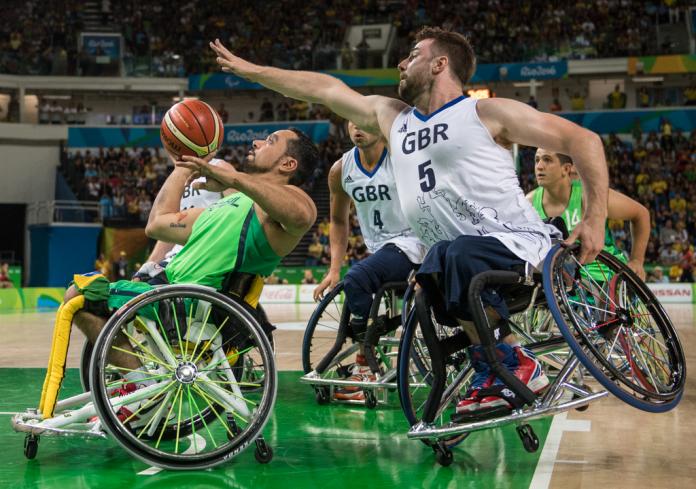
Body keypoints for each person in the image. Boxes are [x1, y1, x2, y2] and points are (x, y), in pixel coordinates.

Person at [208, 26, 608, 417]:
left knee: (453, 255)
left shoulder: (486, 112)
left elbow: (585, 141)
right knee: (432, 272)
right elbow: (324, 89)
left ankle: (513, 362)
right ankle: (495, 365)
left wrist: (594, 217)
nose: (401, 62)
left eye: (413, 55)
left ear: (440, 63)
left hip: (518, 245)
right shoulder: (393, 118)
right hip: (454, 258)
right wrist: (254, 72)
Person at [63, 128, 318, 417]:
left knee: (79, 293)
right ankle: (139, 384)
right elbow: (157, 225)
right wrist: (182, 168)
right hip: (171, 297)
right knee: (81, 293)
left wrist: (231, 178)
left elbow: (301, 217)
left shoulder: (295, 201)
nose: (256, 142)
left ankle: (140, 387)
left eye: (270, 141)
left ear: (288, 164)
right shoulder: (223, 206)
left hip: (194, 304)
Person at [312, 121, 426, 401]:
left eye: (364, 121)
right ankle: (371, 342)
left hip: (414, 244)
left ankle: (365, 365)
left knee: (358, 278)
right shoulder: (341, 169)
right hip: (381, 250)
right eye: (351, 121)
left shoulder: (403, 159)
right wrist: (334, 268)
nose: (357, 128)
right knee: (354, 284)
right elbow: (338, 220)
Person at [527, 148, 650, 280]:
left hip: (604, 277)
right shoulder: (528, 203)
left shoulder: (590, 196)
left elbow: (641, 214)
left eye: (547, 160)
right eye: (537, 160)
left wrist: (637, 260)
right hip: (560, 282)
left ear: (566, 169)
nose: (539, 166)